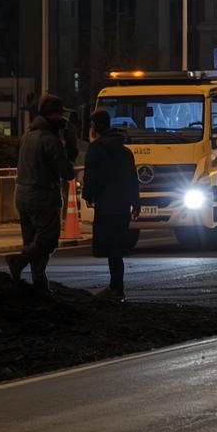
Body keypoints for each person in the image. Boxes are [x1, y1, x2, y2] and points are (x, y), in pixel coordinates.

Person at [6, 94, 79, 295]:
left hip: (21, 194)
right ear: (54, 116)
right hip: (43, 195)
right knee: (48, 238)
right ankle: (19, 261)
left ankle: (39, 283)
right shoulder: (49, 140)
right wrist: (71, 147)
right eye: (60, 115)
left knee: (32, 241)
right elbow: (67, 172)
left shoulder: (27, 136)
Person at [82, 108, 139, 301]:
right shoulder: (125, 151)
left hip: (106, 205)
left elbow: (92, 176)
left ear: (95, 127)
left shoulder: (96, 149)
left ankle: (116, 288)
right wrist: (135, 202)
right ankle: (116, 286)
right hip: (123, 206)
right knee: (117, 248)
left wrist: (87, 195)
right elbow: (133, 178)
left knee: (109, 248)